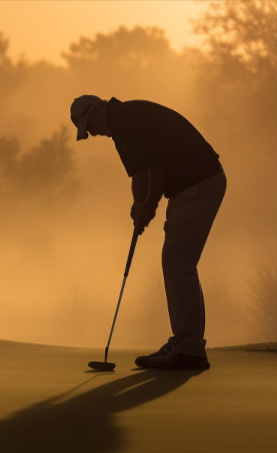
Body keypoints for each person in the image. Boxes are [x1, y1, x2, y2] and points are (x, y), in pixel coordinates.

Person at [69, 95, 226, 370]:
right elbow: (139, 175)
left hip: (200, 183)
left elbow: (157, 166)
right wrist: (138, 206)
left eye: (88, 126)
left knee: (177, 262)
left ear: (97, 110)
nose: (92, 133)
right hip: (187, 189)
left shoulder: (130, 118)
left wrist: (150, 206)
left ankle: (188, 348)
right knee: (179, 262)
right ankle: (186, 343)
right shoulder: (120, 133)